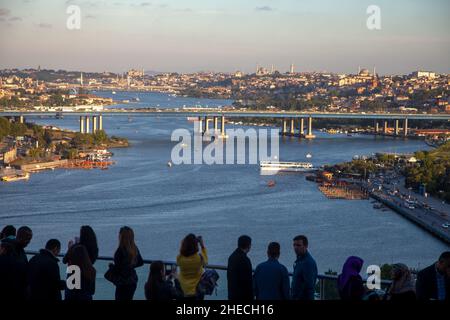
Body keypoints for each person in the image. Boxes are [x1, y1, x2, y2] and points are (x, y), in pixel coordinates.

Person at [112, 226, 144, 300]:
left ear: (121, 237)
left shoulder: (120, 251)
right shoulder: (134, 248)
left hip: (123, 282)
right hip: (132, 280)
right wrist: (131, 265)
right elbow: (141, 262)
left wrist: (111, 267)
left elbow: (118, 268)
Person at [177, 233, 208, 300]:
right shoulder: (199, 258)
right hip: (197, 290)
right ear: (195, 245)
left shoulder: (180, 258)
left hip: (184, 289)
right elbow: (206, 262)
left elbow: (182, 250)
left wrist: (187, 241)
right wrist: (202, 245)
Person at [291, 235, 318, 300]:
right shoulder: (299, 260)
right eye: (294, 245)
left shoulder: (308, 263)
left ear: (306, 246)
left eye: (298, 245)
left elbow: (309, 286)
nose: (295, 248)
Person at [227, 235, 253, 301]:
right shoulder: (245, 259)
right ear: (248, 246)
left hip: (232, 295)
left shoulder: (232, 257)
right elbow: (247, 281)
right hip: (242, 296)